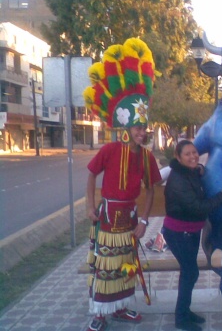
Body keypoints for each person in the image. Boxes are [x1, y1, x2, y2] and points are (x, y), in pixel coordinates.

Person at [83, 38, 162, 331]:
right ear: (125, 126)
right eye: (139, 127)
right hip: (106, 217)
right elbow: (91, 175)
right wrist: (91, 206)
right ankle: (100, 313)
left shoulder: (147, 156)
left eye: (144, 127)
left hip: (129, 218)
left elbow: (151, 188)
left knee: (126, 264)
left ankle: (120, 308)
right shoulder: (109, 150)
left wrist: (144, 220)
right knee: (105, 265)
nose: (143, 132)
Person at [162, 140, 222, 331]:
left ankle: (185, 311)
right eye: (187, 154)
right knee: (190, 272)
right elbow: (197, 208)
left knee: (189, 272)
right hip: (179, 233)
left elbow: (197, 171)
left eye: (194, 152)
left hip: (190, 231)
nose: (193, 156)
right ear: (178, 157)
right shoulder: (178, 180)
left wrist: (200, 167)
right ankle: (181, 318)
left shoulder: (189, 171)